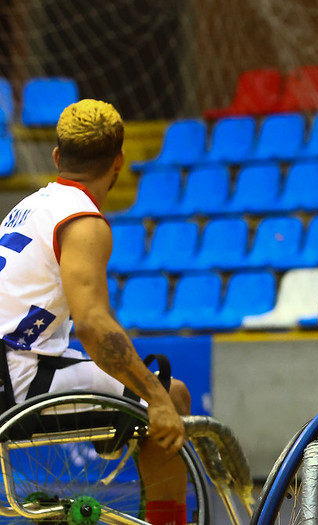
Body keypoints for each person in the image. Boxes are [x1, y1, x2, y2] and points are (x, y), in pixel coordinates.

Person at [0, 99, 191, 525]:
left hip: (16, 362)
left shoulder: (27, 208)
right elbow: (91, 324)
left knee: (130, 383)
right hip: (17, 380)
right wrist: (156, 397)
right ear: (120, 160)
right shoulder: (82, 221)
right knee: (173, 395)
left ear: (57, 157)